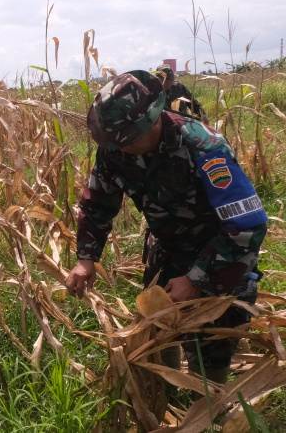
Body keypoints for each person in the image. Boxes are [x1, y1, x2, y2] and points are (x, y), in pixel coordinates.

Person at [66, 70, 267, 385]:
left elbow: (247, 226)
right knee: (155, 332)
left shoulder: (204, 147)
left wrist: (196, 279)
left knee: (211, 343)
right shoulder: (116, 147)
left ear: (152, 121)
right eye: (113, 141)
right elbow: (97, 203)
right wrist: (85, 259)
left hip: (220, 254)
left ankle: (208, 403)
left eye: (127, 140)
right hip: (169, 248)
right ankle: (163, 393)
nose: (118, 148)